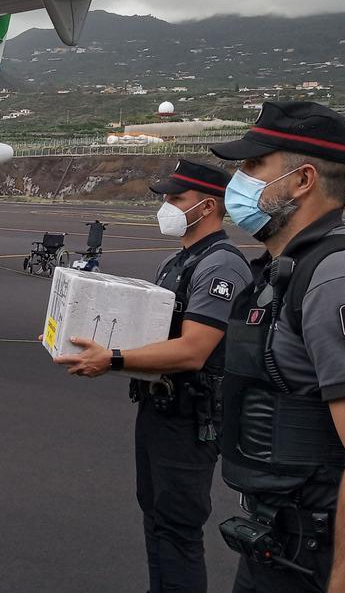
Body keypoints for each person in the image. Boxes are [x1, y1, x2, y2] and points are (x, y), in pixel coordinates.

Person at [209, 101, 345, 592]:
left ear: (302, 180)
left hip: (325, 555)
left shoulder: (342, 280)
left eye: (252, 166)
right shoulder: (287, 270)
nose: (237, 179)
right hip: (282, 543)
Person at [53, 159, 251, 593]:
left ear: (208, 206)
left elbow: (194, 350)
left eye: (177, 198)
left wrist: (114, 358)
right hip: (160, 407)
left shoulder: (221, 267)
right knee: (157, 515)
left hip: (191, 416)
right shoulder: (179, 261)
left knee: (178, 525)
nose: (166, 206)